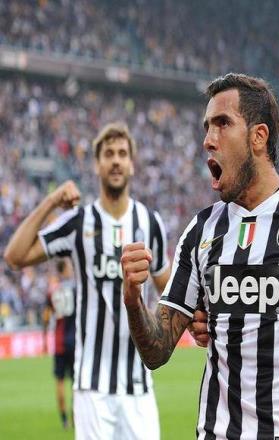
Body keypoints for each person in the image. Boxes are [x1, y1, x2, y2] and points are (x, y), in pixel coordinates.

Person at [121, 73, 279, 440]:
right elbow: (156, 350)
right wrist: (133, 299)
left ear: (259, 137)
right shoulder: (202, 229)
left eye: (223, 123)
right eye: (207, 127)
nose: (209, 139)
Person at [4, 122, 171, 440]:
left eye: (122, 153)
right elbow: (14, 256)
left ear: (132, 164)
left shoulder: (150, 223)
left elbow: (170, 288)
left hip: (138, 383)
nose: (116, 160)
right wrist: (52, 201)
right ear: (97, 164)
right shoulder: (78, 223)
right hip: (91, 387)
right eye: (108, 154)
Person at [42, 258, 77, 430]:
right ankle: (76, 417)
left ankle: (64, 420)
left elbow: (46, 316)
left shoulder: (52, 291)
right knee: (76, 382)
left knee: (60, 381)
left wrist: (44, 339)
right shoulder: (76, 288)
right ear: (65, 269)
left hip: (59, 341)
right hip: (75, 340)